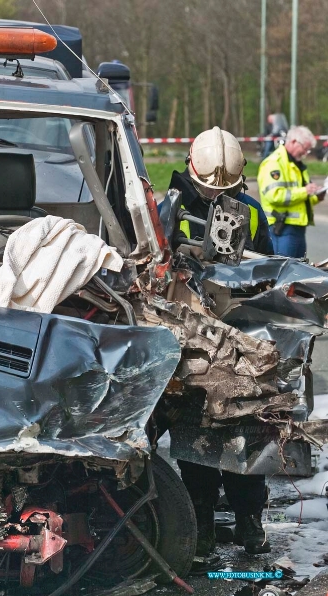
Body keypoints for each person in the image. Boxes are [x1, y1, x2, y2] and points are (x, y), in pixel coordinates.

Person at [168, 126, 273, 557]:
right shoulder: (175, 209)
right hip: (212, 336)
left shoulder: (174, 208)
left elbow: (266, 269)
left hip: (217, 338)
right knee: (219, 433)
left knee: (224, 432)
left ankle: (226, 528)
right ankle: (221, 526)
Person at [258, 125, 325, 258]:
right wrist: (305, 191)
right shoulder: (274, 163)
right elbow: (274, 195)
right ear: (294, 141)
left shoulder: (297, 164)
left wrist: (317, 197)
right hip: (282, 229)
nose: (305, 153)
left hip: (297, 228)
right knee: (283, 273)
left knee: (298, 272)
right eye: (305, 149)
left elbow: (300, 197)